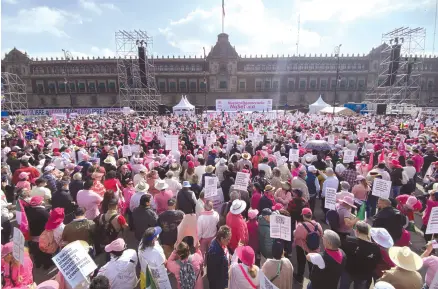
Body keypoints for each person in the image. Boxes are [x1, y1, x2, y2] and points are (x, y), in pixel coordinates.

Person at [340, 221, 381, 289]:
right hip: (363, 275)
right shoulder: (375, 248)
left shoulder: (348, 240)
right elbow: (376, 262)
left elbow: (342, 255)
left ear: (357, 231)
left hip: (348, 271)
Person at [293, 208, 322, 284]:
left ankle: (300, 277)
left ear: (303, 216)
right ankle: (312, 281)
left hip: (302, 248)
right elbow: (321, 234)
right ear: (311, 215)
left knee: (301, 262)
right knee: (312, 266)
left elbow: (295, 235)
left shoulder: (300, 226)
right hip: (315, 249)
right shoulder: (317, 225)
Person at [26, 196, 52, 269]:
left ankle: (38, 264)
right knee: (46, 251)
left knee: (36, 252)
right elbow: (50, 222)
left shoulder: (28, 211)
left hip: (33, 235)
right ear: (40, 203)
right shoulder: (43, 212)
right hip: (43, 235)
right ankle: (46, 265)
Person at [206, 225, 232, 289]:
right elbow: (216, 274)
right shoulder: (215, 253)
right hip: (218, 283)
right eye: (228, 239)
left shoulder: (217, 241)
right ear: (222, 238)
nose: (229, 241)